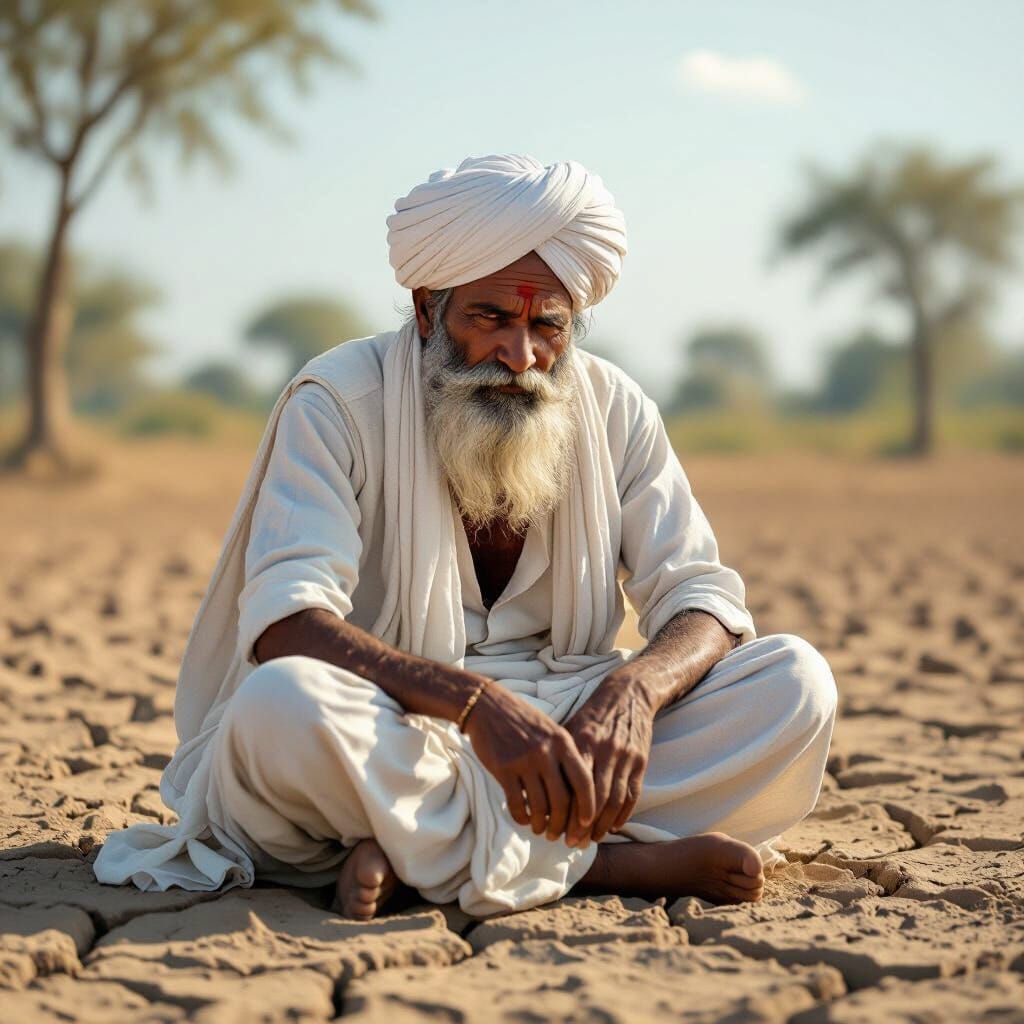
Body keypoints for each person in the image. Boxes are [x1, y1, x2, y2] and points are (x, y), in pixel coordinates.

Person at [94, 154, 837, 920]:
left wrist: (630, 693)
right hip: (394, 715)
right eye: (490, 318)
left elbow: (702, 597)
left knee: (795, 682)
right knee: (277, 707)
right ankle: (608, 868)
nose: (520, 358)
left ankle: (421, 851)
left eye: (546, 324)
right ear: (426, 311)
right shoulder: (338, 402)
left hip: (564, 723)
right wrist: (476, 706)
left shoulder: (617, 409)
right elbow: (287, 622)